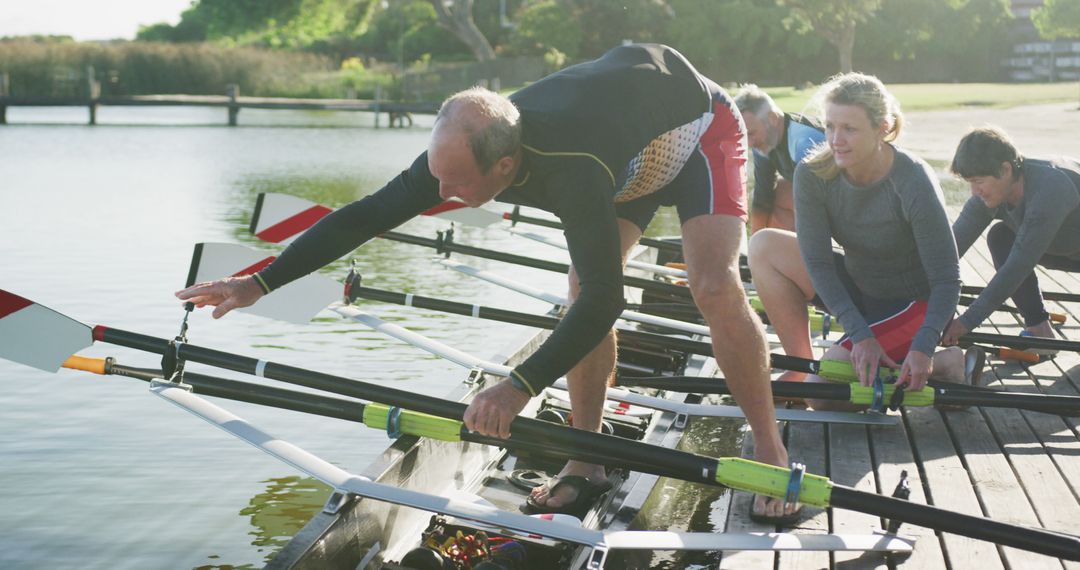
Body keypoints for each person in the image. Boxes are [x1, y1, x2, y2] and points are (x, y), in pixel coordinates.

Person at [176, 44, 796, 523]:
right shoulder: (460, 151)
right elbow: (366, 214)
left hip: (697, 129)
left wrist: (517, 387)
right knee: (582, 286)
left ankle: (769, 448)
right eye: (438, 179)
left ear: (506, 166)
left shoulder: (571, 168)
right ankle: (589, 457)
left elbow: (613, 301)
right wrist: (262, 281)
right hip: (627, 146)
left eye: (457, 187)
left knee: (710, 285)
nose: (444, 197)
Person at [747, 72, 968, 401]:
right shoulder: (812, 174)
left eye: (849, 129)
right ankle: (802, 364)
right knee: (763, 245)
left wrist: (923, 345)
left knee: (819, 397)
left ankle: (945, 363)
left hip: (914, 304)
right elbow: (819, 265)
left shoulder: (913, 179)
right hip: (862, 290)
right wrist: (859, 334)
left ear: (882, 128)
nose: (836, 139)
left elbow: (948, 279)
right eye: (830, 127)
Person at [942, 126, 1080, 346]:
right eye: (970, 183)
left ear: (1005, 170)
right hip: (1066, 247)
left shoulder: (1050, 188)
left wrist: (965, 323)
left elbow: (1016, 268)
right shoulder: (994, 190)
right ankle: (1039, 330)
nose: (974, 192)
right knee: (1000, 237)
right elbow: (948, 251)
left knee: (1015, 257)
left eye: (978, 182)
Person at [734, 84, 825, 234]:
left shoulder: (804, 142)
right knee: (757, 197)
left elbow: (819, 201)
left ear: (773, 118)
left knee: (797, 196)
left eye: (751, 133)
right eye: (743, 136)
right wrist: (755, 246)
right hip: (814, 198)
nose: (749, 144)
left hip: (844, 203)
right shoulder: (765, 141)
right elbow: (763, 197)